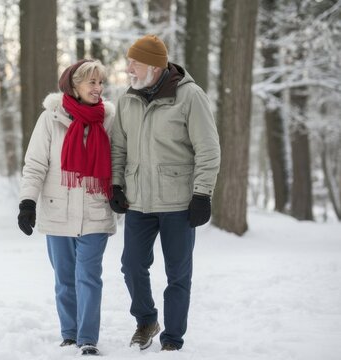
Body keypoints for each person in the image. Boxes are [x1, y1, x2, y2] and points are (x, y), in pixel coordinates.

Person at [109, 35, 220, 352]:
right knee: (131, 265)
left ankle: (173, 338)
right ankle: (146, 320)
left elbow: (208, 149)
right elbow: (118, 147)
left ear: (155, 65)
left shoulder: (190, 96)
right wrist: (116, 184)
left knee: (178, 273)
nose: (129, 67)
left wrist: (202, 194)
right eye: (129, 61)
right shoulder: (126, 99)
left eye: (135, 62)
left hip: (178, 202)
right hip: (138, 202)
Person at [17, 59, 116, 356]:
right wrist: (27, 202)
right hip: (57, 209)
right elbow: (35, 165)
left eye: (101, 82)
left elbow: (120, 160)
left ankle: (87, 339)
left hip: (95, 208)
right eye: (91, 82)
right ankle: (69, 335)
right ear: (74, 86)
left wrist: (120, 189)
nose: (98, 88)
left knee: (88, 275)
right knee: (64, 278)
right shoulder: (51, 118)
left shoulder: (109, 119)